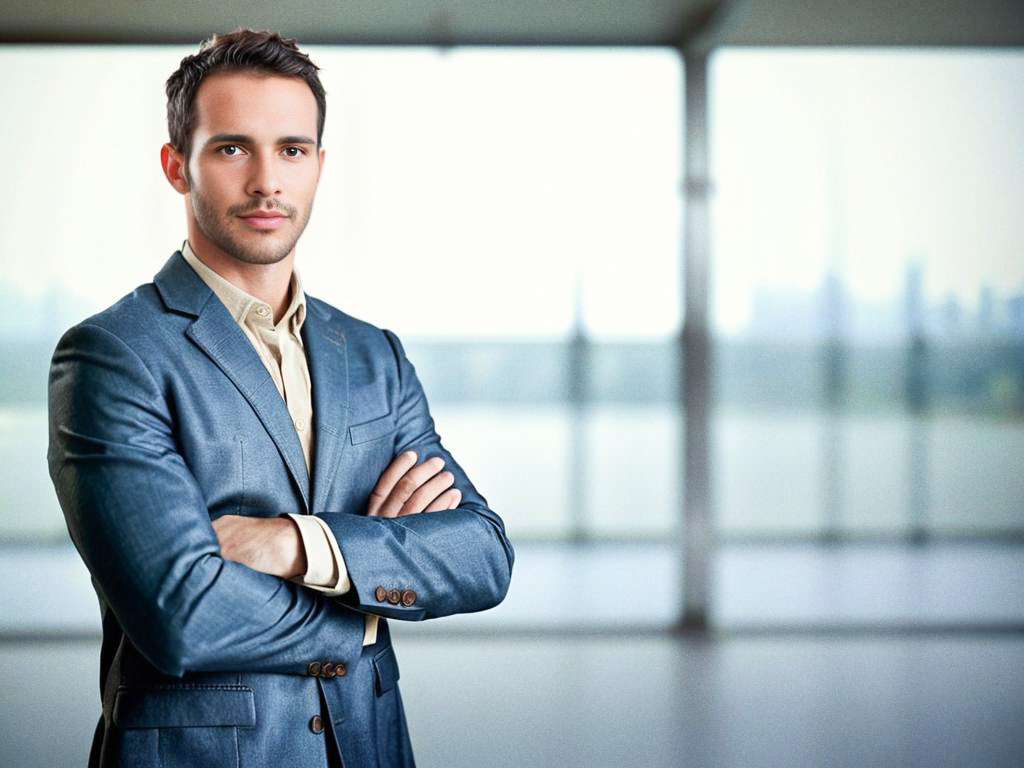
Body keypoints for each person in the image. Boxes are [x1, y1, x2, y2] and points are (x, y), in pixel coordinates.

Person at [47, 29, 513, 768]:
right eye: (233, 148)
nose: (268, 181)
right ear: (177, 167)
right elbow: (181, 615)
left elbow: (483, 556)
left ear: (320, 167)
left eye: (293, 150)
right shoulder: (113, 354)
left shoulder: (371, 355)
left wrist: (292, 543)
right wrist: (369, 597)